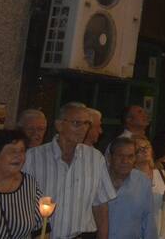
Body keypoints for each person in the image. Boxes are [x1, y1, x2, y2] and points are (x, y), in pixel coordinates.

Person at [23, 102, 116, 239]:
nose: (83, 129)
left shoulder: (95, 158)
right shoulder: (32, 157)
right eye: (77, 123)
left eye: (87, 124)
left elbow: (101, 206)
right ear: (59, 125)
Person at [0, 129, 43, 239]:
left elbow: (41, 227)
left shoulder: (29, 184)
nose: (19, 156)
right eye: (12, 151)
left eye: (22, 151)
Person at [106, 137, 157, 239]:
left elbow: (148, 221)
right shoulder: (98, 179)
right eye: (120, 156)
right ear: (110, 158)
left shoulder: (142, 182)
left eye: (130, 156)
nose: (125, 161)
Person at [132, 136, 165, 239]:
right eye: (139, 149)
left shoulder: (162, 175)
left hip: (160, 232)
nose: (144, 151)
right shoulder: (130, 177)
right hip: (138, 233)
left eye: (147, 147)